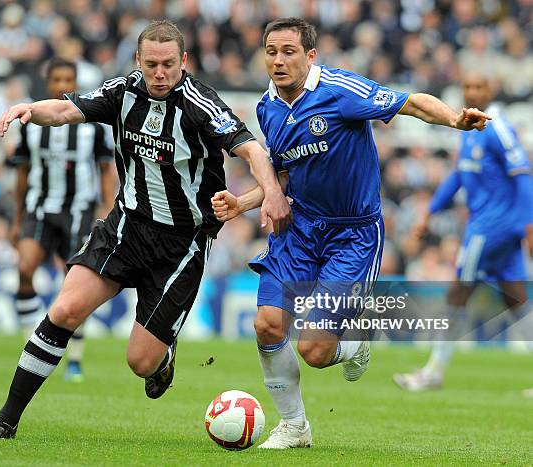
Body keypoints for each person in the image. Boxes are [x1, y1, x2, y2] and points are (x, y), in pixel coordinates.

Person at [0, 20, 290, 440]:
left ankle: (162, 359)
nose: (160, 73)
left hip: (182, 243)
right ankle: (6, 419)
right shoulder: (123, 92)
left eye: (169, 65)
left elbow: (253, 151)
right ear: (138, 60)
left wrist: (272, 194)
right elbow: (67, 108)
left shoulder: (201, 105)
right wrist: (28, 110)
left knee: (140, 361)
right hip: (126, 226)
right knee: (64, 310)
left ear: (184, 62)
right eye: (152, 64)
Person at [212, 18, 491, 449]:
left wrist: (454, 119)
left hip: (353, 236)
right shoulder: (267, 108)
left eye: (289, 51)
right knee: (267, 326)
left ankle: (355, 343)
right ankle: (294, 427)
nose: (278, 60)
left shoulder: (341, 91)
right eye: (271, 51)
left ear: (311, 56)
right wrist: (242, 202)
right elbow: (284, 176)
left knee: (315, 351)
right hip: (298, 229)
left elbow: (410, 102)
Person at [393, 72, 533, 392]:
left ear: (490, 88)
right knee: (518, 300)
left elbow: (523, 174)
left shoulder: (499, 127)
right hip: (498, 229)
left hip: (490, 228)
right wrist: (429, 212)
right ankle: (433, 371)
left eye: (479, 86)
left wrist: (529, 225)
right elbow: (458, 175)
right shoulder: (468, 127)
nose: (472, 91)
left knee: (458, 291)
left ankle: (433, 372)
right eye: (468, 87)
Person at [11, 57, 116, 383]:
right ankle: (32, 338)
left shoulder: (92, 127)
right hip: (40, 207)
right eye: (56, 79)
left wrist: (107, 207)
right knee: (26, 267)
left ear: (75, 83)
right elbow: (23, 172)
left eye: (67, 79)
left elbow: (105, 169)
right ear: (48, 83)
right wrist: (17, 217)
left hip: (79, 210)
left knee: (74, 285)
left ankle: (75, 359)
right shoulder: (31, 126)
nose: (62, 86)